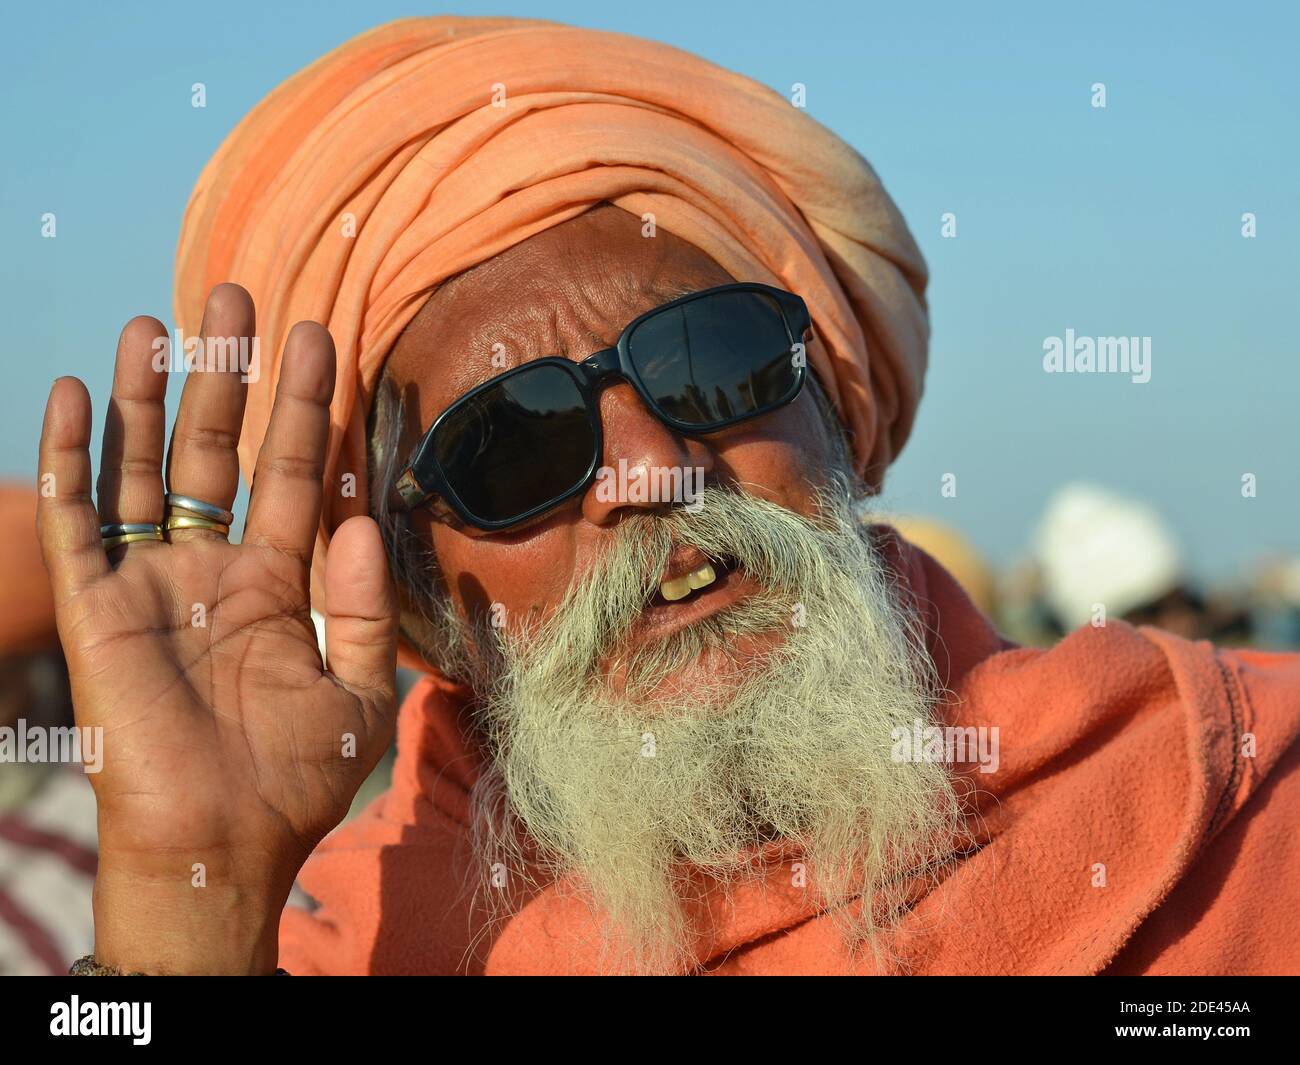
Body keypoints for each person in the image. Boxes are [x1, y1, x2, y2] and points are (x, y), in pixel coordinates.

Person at [36, 15, 1300, 976]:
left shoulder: (1253, 802)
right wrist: (177, 905)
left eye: (715, 365)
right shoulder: (334, 947)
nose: (654, 471)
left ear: (832, 412)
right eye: (516, 445)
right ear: (414, 600)